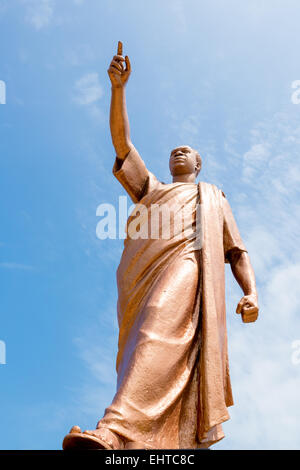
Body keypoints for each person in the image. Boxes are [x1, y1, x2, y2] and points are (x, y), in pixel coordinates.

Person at [63, 42, 259, 450]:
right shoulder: (151, 190)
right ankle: (144, 438)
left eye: (186, 151)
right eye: (173, 150)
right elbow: (122, 146)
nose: (178, 152)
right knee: (141, 346)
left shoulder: (212, 197)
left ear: (198, 165)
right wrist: (118, 89)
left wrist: (251, 292)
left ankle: (114, 430)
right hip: (140, 281)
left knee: (156, 325)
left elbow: (236, 251)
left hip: (188, 267)